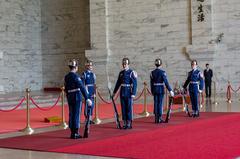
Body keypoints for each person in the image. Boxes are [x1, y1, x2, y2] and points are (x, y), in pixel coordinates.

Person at [64, 59, 92, 139]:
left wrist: (69, 95)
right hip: (76, 96)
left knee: (71, 114)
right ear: (75, 67)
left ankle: (72, 132)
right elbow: (82, 87)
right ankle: (75, 133)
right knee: (76, 114)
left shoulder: (66, 76)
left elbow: (66, 89)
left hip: (70, 96)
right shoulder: (76, 76)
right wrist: (87, 98)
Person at [113, 57, 137, 129]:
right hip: (122, 91)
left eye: (125, 64)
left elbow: (135, 84)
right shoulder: (121, 73)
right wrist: (114, 92)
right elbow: (118, 83)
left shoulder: (131, 72)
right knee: (123, 108)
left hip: (128, 91)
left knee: (129, 108)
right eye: (123, 64)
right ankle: (125, 122)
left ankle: (129, 122)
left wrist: (133, 93)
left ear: (128, 64)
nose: (124, 65)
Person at [150, 58, 174, 123]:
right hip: (160, 89)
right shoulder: (162, 72)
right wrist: (170, 90)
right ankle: (159, 118)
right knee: (160, 103)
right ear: (161, 65)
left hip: (155, 89)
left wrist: (152, 91)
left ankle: (156, 118)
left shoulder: (152, 72)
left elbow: (151, 83)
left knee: (156, 103)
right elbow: (166, 82)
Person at [81, 60, 96, 124]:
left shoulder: (93, 74)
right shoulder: (84, 74)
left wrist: (94, 92)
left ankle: (90, 118)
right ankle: (87, 119)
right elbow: (82, 84)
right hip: (87, 92)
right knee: (87, 106)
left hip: (92, 91)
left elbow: (94, 84)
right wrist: (84, 93)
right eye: (89, 65)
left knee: (92, 105)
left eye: (91, 65)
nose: (90, 66)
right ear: (86, 66)